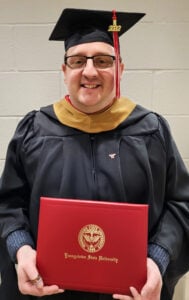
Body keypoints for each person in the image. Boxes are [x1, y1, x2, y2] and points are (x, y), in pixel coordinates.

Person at [0, 7, 189, 300]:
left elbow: (180, 204)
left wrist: (158, 259)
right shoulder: (34, 130)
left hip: (131, 293)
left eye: (103, 60)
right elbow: (8, 204)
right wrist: (20, 248)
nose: (89, 71)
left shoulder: (151, 131)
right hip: (49, 293)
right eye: (77, 61)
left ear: (120, 69)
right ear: (65, 72)